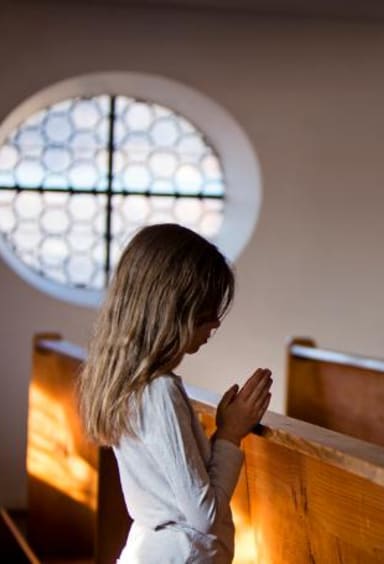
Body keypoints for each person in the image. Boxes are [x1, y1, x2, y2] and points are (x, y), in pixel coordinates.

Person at [77, 223, 272, 563]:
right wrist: (229, 435)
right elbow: (203, 517)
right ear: (173, 308)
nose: (216, 323)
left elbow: (176, 491)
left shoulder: (135, 383)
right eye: (207, 310)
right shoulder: (159, 392)